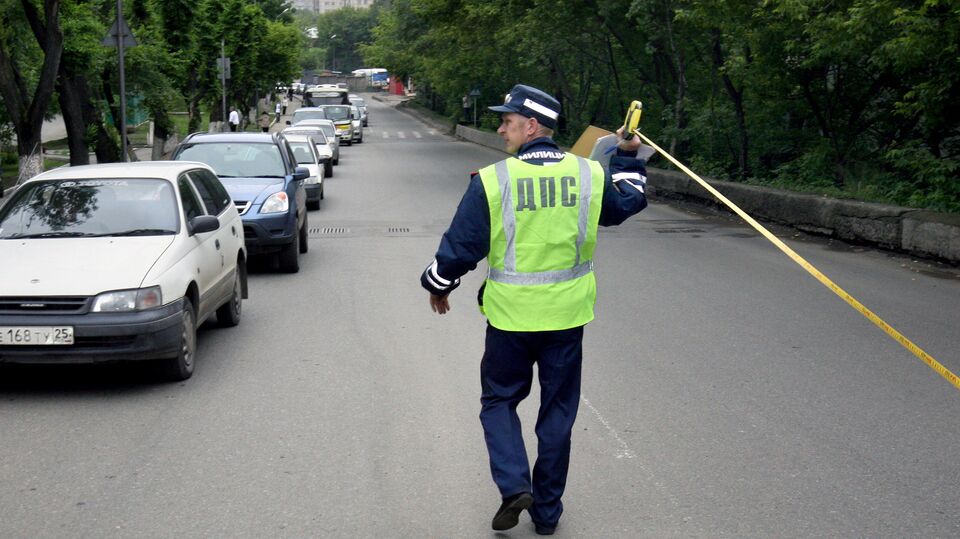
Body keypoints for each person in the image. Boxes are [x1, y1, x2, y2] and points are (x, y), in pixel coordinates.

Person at [420, 84, 649, 535]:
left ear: (532, 126)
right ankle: (546, 513)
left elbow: (462, 246)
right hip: (567, 319)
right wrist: (625, 155)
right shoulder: (588, 174)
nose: (501, 128)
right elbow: (627, 203)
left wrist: (439, 284)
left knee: (498, 401)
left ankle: (513, 485)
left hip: (510, 320)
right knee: (558, 413)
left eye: (507, 121)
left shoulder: (493, 179)